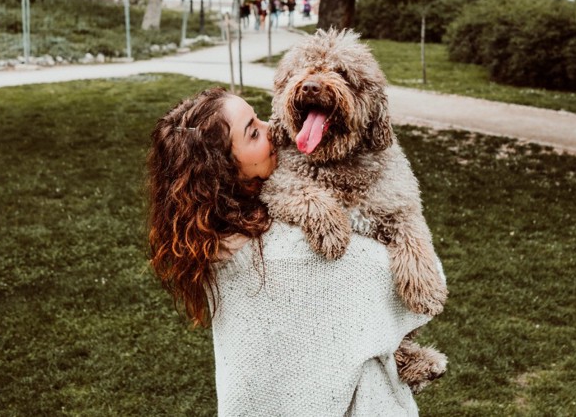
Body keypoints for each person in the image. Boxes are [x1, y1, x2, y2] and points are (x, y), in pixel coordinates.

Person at [147, 88, 435, 415]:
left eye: (259, 117)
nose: (274, 128)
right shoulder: (301, 247)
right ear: (223, 170)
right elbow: (415, 289)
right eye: (254, 132)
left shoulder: (211, 248)